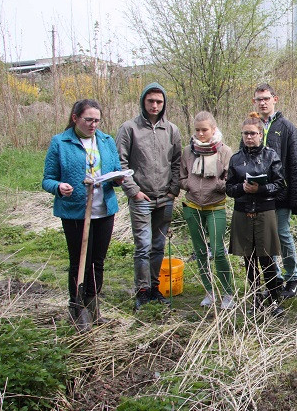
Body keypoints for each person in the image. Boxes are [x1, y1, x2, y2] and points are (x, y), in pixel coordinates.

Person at [43, 99, 124, 330]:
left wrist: (117, 179)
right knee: (80, 261)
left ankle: (93, 305)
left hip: (104, 209)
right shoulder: (60, 142)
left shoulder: (106, 141)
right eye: (88, 119)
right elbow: (47, 179)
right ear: (75, 118)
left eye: (97, 120)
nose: (93, 125)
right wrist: (59, 187)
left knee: (97, 261)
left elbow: (115, 169)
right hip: (75, 212)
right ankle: (77, 309)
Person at [117, 83, 181, 310]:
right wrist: (134, 192)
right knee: (143, 246)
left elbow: (177, 162)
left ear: (164, 104)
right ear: (143, 101)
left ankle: (155, 287)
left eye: (159, 102)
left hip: (165, 198)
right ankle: (142, 291)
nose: (154, 106)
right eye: (150, 101)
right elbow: (121, 164)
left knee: (158, 245)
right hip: (141, 198)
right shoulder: (129, 129)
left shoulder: (171, 129)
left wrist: (174, 190)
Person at [226, 114, 287, 317]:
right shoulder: (235, 158)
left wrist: (259, 190)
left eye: (252, 133)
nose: (249, 137)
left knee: (268, 258)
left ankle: (273, 299)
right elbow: (229, 188)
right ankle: (255, 298)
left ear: (260, 134)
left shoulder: (271, 156)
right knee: (249, 259)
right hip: (242, 212)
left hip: (265, 210)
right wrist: (242, 188)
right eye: (245, 133)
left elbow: (279, 185)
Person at [179, 111, 234, 309]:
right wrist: (190, 185)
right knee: (201, 251)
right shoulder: (187, 151)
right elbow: (181, 176)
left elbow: (230, 179)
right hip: (192, 206)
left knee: (218, 251)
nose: (201, 134)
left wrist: (218, 185)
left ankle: (228, 293)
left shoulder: (224, 151)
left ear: (213, 129)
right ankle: (209, 292)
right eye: (197, 130)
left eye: (205, 130)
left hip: (215, 206)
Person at [254, 83, 297, 299]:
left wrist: (295, 198)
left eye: (266, 98)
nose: (263, 102)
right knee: (266, 238)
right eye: (259, 99)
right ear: (254, 102)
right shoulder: (252, 126)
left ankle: (293, 277)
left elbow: (296, 164)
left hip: (281, 194)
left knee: (282, 235)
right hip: (258, 194)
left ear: (275, 99)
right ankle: (274, 279)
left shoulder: (287, 128)